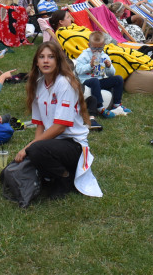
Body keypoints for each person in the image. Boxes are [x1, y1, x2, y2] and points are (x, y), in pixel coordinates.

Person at [14, 42, 102, 199]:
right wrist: (33, 152)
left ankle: (65, 176)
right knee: (21, 162)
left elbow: (60, 127)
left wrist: (29, 148)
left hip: (73, 145)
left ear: (58, 61)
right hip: (53, 143)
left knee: (34, 150)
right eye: (41, 57)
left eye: (51, 57)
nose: (45, 61)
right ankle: (51, 173)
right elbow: (40, 124)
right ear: (36, 62)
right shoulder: (38, 85)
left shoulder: (65, 83)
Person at [74, 31, 129, 118]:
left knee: (118, 79)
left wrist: (108, 66)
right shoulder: (84, 55)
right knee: (95, 81)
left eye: (100, 49)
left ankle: (117, 104)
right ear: (89, 45)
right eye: (94, 48)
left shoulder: (105, 56)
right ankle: (100, 107)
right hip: (87, 81)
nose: (97, 51)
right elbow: (78, 70)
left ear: (103, 46)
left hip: (100, 80)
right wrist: (90, 65)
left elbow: (111, 74)